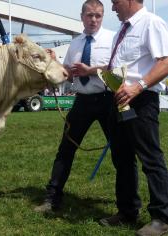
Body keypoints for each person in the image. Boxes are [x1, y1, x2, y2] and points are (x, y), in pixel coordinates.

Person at [34, 0, 115, 213]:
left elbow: (116, 69)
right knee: (66, 149)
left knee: (121, 152)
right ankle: (52, 199)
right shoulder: (76, 43)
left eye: (98, 15)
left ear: (103, 17)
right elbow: (69, 73)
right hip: (82, 100)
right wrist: (54, 61)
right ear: (82, 17)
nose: (93, 20)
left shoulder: (113, 38)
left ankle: (127, 206)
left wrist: (91, 70)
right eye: (89, 15)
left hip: (108, 100)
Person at [98, 0, 168, 235]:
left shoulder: (151, 23)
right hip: (119, 100)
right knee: (122, 158)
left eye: (115, 2)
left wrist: (137, 87)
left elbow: (166, 62)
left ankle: (162, 217)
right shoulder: (122, 28)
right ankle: (127, 211)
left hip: (140, 100)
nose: (113, 7)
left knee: (150, 158)